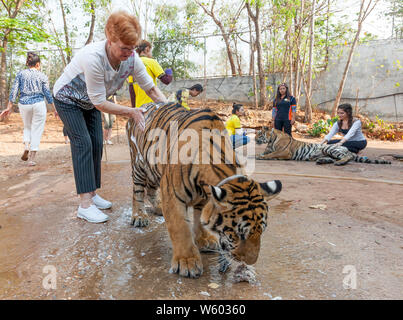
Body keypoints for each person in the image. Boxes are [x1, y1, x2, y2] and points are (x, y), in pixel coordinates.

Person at [52, 11, 167, 224]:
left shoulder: (132, 58)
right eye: (123, 48)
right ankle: (84, 205)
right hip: (67, 99)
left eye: (132, 48)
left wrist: (170, 112)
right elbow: (99, 102)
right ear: (110, 38)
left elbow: (151, 89)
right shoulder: (94, 58)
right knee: (83, 143)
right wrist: (132, 111)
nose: (128, 53)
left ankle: (92, 194)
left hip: (91, 100)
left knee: (97, 143)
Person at [0, 52, 56, 166]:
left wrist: (9, 107)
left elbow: (14, 91)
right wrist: (55, 108)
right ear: (38, 64)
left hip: (24, 104)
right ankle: (31, 159)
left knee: (27, 126)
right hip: (38, 104)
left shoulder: (20, 74)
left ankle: (26, 145)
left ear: (27, 63)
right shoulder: (42, 76)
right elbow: (47, 94)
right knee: (37, 129)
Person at [127, 40, 172, 108]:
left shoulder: (132, 65)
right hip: (151, 107)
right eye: (151, 50)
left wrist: (134, 108)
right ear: (147, 49)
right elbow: (166, 80)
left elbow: (132, 91)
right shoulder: (151, 62)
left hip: (139, 108)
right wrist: (169, 71)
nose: (151, 53)